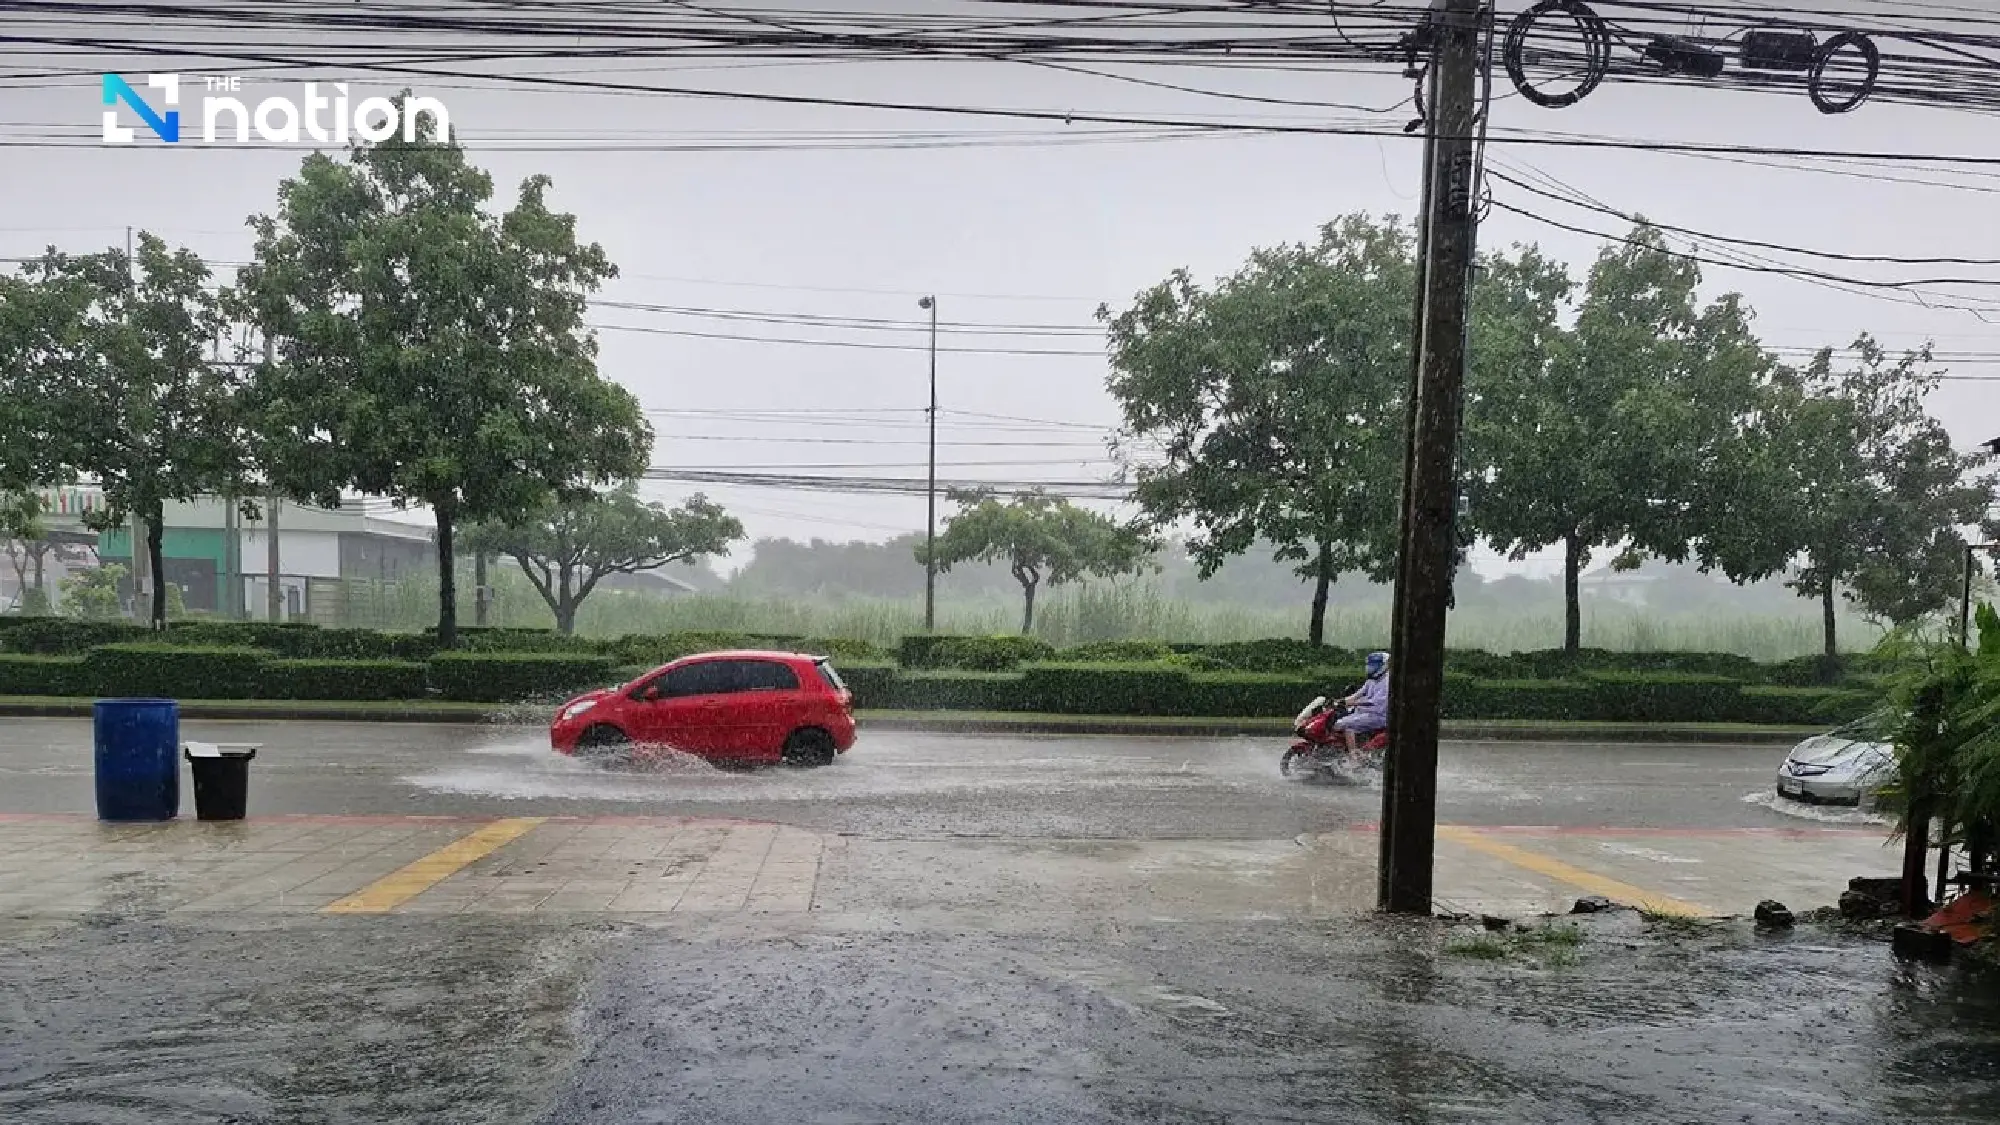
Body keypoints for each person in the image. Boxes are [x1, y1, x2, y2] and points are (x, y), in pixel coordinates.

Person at [1335, 651, 1390, 764]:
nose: (1369, 667)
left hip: (1379, 716)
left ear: (1382, 666)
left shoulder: (1386, 682)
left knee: (1346, 725)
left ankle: (1354, 759)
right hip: (1365, 713)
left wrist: (1354, 703)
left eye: (1373, 665)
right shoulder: (1372, 680)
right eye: (1368, 664)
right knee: (1337, 720)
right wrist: (1340, 701)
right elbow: (1357, 695)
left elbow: (1374, 703)